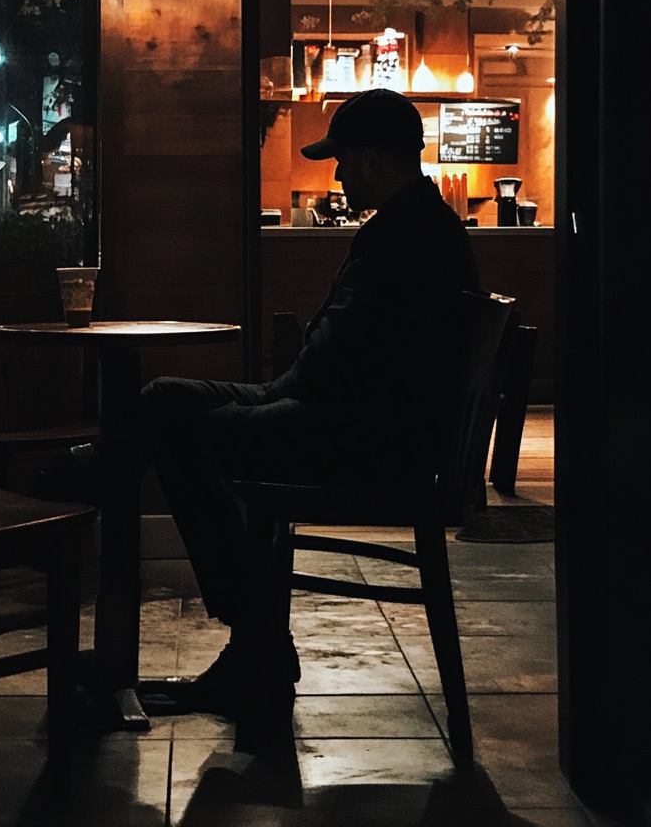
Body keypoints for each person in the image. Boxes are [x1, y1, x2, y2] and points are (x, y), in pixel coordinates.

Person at [134, 88, 480, 719]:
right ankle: (256, 640)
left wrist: (283, 383)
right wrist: (285, 382)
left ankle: (257, 645)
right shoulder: (419, 225)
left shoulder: (406, 237)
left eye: (342, 160)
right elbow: (344, 350)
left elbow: (340, 354)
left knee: (177, 432)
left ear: (374, 159)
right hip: (347, 417)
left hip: (360, 440)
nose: (339, 174)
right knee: (164, 400)